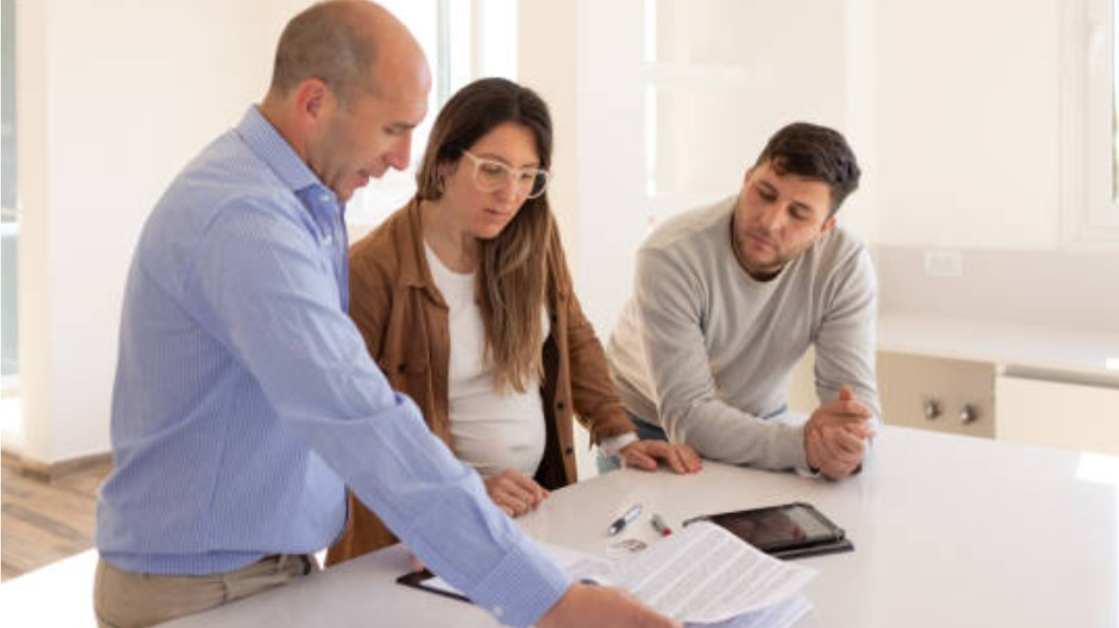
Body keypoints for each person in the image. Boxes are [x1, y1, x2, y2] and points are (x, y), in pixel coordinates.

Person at [92, 2, 679, 627]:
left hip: (267, 568)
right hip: (206, 588)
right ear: (315, 102)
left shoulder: (304, 204)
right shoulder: (248, 222)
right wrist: (549, 600)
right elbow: (362, 417)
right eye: (392, 129)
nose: (404, 159)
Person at [324, 77, 700, 564]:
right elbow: (354, 426)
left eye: (528, 176)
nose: (510, 194)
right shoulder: (372, 270)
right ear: (444, 163)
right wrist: (466, 488)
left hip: (535, 507)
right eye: (492, 170)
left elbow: (573, 335)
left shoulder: (532, 237)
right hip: (424, 530)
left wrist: (622, 438)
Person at [605, 122, 879, 480]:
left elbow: (855, 400)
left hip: (760, 417)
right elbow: (688, 414)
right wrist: (805, 447)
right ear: (746, 178)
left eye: (798, 213)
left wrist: (849, 449)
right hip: (651, 425)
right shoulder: (670, 253)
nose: (770, 221)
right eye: (764, 193)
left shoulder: (844, 264)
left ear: (824, 227)